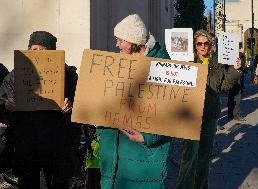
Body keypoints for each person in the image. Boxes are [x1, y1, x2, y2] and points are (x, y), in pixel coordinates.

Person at [96, 14, 171, 189]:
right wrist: (100, 129)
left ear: (133, 41)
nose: (116, 45)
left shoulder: (163, 66)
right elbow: (105, 100)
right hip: (112, 151)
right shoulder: (116, 63)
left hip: (143, 155)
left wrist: (147, 138)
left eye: (120, 40)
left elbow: (173, 115)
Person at [0, 31, 78, 189]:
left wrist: (69, 108)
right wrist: (6, 106)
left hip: (57, 144)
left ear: (51, 52)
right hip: (27, 143)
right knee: (28, 183)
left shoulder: (68, 75)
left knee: (59, 184)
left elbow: (83, 105)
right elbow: (2, 101)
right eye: (33, 50)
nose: (37, 54)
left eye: (42, 50)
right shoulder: (17, 75)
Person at [177, 30, 242, 189]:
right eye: (199, 43)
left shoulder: (217, 63)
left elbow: (225, 86)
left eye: (206, 43)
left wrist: (235, 70)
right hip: (191, 115)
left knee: (204, 157)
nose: (203, 47)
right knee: (189, 156)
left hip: (211, 113)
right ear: (195, 45)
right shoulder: (187, 61)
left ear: (210, 45)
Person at [227, 45, 247, 121]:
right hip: (237, 78)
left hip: (230, 77)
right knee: (237, 97)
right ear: (240, 49)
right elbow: (243, 67)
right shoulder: (241, 55)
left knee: (231, 96)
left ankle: (230, 114)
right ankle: (235, 114)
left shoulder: (229, 54)